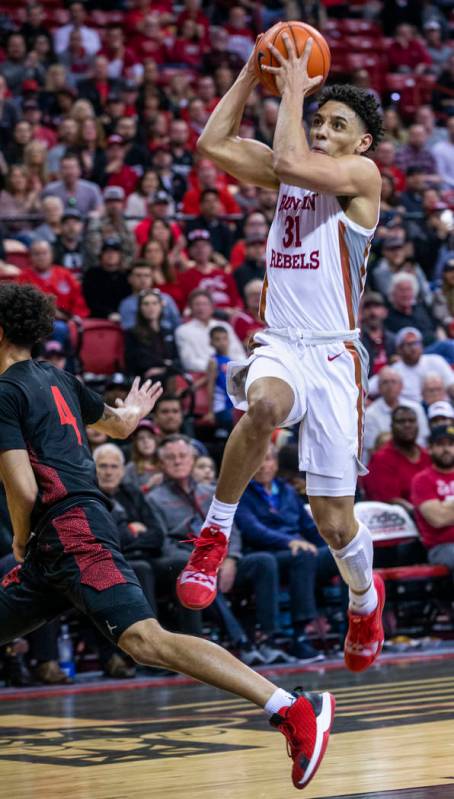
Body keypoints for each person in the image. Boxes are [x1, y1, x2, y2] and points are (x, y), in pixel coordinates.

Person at [0, 282, 335, 791]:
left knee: (144, 640)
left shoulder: (5, 393)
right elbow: (120, 426)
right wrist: (133, 410)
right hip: (67, 535)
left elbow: (22, 488)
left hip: (69, 530)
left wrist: (21, 540)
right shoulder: (58, 379)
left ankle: (291, 707)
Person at [175, 36, 386, 675]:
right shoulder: (289, 166)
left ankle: (363, 596)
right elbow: (212, 143)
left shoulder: (360, 178)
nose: (322, 129)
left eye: (336, 124)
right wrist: (253, 68)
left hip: (335, 359)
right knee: (263, 403)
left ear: (362, 144)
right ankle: (213, 533)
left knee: (332, 520)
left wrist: (293, 88)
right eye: (319, 119)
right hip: (282, 344)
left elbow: (292, 161)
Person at [362, 406, 431, 510]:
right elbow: (388, 501)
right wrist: (421, 513)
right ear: (392, 426)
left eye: (411, 421)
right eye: (401, 421)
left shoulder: (428, 456)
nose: (407, 425)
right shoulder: (381, 459)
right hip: (399, 521)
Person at [411, 424, 454, 574]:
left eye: (451, 444)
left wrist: (446, 506)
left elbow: (444, 513)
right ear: (430, 448)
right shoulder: (422, 480)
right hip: (442, 546)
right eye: (440, 444)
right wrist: (443, 511)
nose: (446, 449)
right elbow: (438, 519)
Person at [364, 366, 429, 462]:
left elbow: (423, 440)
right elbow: (372, 448)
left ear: (401, 386)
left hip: (415, 459)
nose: (390, 386)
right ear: (379, 387)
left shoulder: (416, 408)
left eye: (393, 381)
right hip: (385, 461)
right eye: (385, 382)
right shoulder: (370, 414)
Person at [175, 289, 244, 373]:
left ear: (212, 307)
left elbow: (239, 354)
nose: (201, 308)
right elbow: (189, 362)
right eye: (197, 304)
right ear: (191, 308)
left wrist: (232, 367)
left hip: (230, 372)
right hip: (203, 375)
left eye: (205, 304)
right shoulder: (183, 331)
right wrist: (218, 367)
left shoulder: (225, 326)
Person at [124, 288, 180, 389]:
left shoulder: (168, 332)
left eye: (154, 303)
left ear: (161, 306)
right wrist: (167, 364)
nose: (151, 307)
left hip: (168, 376)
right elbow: (139, 361)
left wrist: (163, 369)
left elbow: (178, 361)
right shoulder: (132, 333)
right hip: (145, 380)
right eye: (146, 304)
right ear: (140, 308)